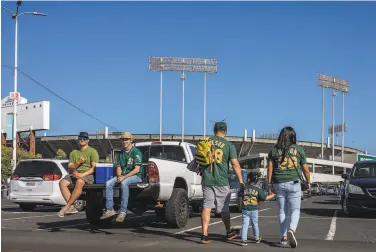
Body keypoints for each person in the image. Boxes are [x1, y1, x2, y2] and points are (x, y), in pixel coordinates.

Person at [200, 121, 245, 244]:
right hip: (222, 181)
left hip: (207, 179)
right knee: (225, 209)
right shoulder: (228, 145)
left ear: (214, 130)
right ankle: (228, 231)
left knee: (207, 206)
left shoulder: (207, 142)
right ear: (225, 131)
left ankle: (204, 234)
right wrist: (241, 181)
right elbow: (235, 164)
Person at [267, 126, 310, 248]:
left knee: (282, 211)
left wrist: (269, 183)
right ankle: (292, 229)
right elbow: (305, 169)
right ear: (293, 136)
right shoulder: (298, 149)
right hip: (294, 183)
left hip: (279, 182)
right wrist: (308, 182)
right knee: (295, 210)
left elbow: (270, 168)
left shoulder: (274, 150)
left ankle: (283, 237)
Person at [102, 132, 143, 222]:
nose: (124, 141)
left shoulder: (136, 152)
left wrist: (123, 178)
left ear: (131, 140)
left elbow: (137, 169)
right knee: (108, 183)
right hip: (124, 176)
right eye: (123, 139)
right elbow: (119, 167)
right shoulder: (120, 153)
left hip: (136, 176)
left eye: (126, 139)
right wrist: (119, 176)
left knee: (124, 183)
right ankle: (109, 209)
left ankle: (123, 211)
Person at [58, 132, 99, 217]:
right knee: (62, 183)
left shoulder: (92, 151)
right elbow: (70, 166)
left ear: (88, 140)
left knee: (79, 182)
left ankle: (67, 206)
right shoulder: (74, 152)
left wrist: (82, 175)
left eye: (84, 138)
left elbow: (94, 168)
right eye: (80, 138)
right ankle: (72, 207)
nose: (82, 140)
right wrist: (78, 162)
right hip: (74, 173)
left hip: (87, 175)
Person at [239, 171, 275, 246]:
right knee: (255, 224)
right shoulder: (257, 189)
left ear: (248, 179)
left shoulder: (244, 188)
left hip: (245, 208)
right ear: (257, 180)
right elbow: (264, 197)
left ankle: (243, 240)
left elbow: (240, 194)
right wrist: (273, 195)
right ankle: (256, 238)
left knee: (245, 224)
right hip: (254, 209)